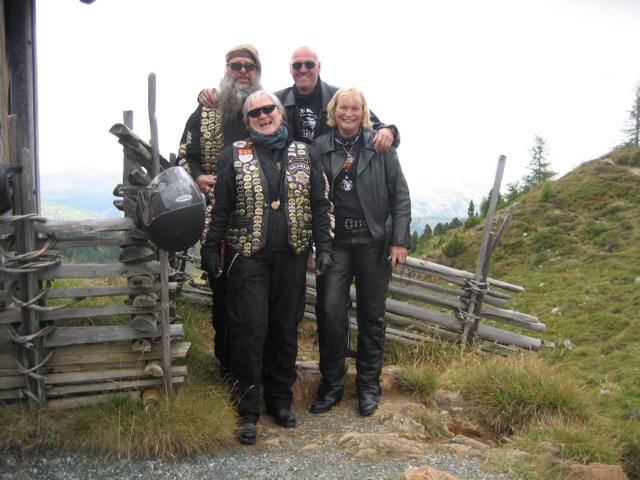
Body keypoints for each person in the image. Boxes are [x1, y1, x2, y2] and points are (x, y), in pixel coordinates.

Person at [201, 90, 334, 445]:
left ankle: (279, 401)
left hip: (292, 255)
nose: (263, 116)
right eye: (255, 112)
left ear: (280, 113)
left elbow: (320, 204)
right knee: (249, 330)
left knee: (285, 329)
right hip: (248, 257)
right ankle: (247, 409)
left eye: (268, 109)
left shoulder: (305, 153)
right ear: (247, 121)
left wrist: (324, 246)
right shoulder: (234, 154)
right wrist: (211, 247)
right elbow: (220, 207)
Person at [309, 87, 411, 417]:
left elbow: (400, 196)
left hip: (373, 242)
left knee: (372, 316)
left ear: (364, 112)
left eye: (355, 108)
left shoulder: (380, 145)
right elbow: (311, 196)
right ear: (333, 111)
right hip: (335, 244)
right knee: (330, 313)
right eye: (343, 107)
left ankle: (368, 386)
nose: (349, 113)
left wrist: (399, 240)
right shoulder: (320, 147)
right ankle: (332, 385)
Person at [175, 44, 262, 375]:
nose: (242, 71)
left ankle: (255, 363)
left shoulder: (265, 109)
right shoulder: (205, 111)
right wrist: (197, 176)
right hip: (217, 221)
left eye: (249, 66)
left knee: (256, 295)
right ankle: (227, 363)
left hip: (258, 221)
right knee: (222, 291)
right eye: (236, 65)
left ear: (257, 72)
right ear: (226, 70)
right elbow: (185, 155)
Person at [199, 46, 399, 153]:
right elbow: (246, 112)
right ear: (290, 69)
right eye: (297, 65)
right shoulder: (275, 101)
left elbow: (370, 122)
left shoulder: (339, 98)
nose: (303, 70)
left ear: (319, 67)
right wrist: (212, 95)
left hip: (333, 180)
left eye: (309, 65)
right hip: (292, 185)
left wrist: (389, 131)